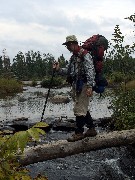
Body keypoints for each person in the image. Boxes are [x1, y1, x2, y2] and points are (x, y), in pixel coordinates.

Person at [53, 35, 97, 142]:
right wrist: (58, 69)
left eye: (68, 45)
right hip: (77, 85)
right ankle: (91, 129)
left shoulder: (85, 55)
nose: (67, 47)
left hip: (84, 85)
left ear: (73, 43)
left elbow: (90, 70)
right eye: (66, 45)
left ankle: (79, 133)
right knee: (82, 108)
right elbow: (68, 72)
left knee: (79, 109)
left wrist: (90, 86)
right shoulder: (73, 57)